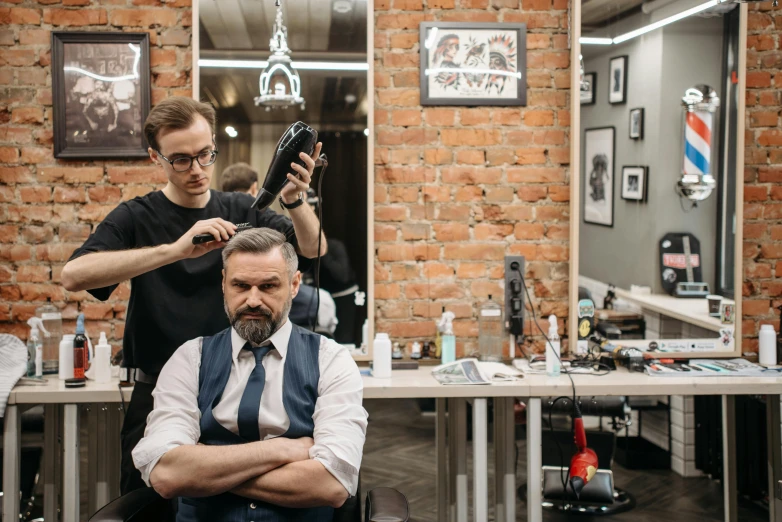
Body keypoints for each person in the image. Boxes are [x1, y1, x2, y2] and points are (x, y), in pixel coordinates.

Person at [60, 96, 327, 495]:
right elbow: (73, 275)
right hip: (156, 392)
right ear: (156, 157)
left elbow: (313, 248)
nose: (197, 169)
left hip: (235, 386)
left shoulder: (242, 208)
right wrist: (175, 250)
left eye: (205, 154)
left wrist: (294, 200)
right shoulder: (136, 216)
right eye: (181, 159)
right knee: (149, 502)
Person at [132, 228, 367, 520]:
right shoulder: (190, 359)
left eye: (268, 286)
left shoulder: (331, 360)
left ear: (294, 285)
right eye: (240, 285)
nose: (253, 300)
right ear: (223, 284)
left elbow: (331, 483)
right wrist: (282, 450)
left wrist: (204, 472)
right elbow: (167, 475)